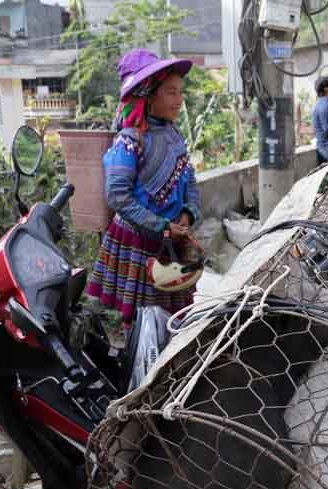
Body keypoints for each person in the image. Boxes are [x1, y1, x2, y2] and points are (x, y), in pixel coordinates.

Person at [86, 49, 201, 334]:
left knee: (174, 318)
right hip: (138, 242)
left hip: (172, 242)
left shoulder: (174, 135)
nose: (179, 99)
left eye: (180, 92)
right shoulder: (128, 142)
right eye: (171, 92)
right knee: (141, 324)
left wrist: (188, 213)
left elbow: (190, 179)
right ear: (148, 95)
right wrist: (162, 226)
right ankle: (141, 370)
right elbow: (118, 197)